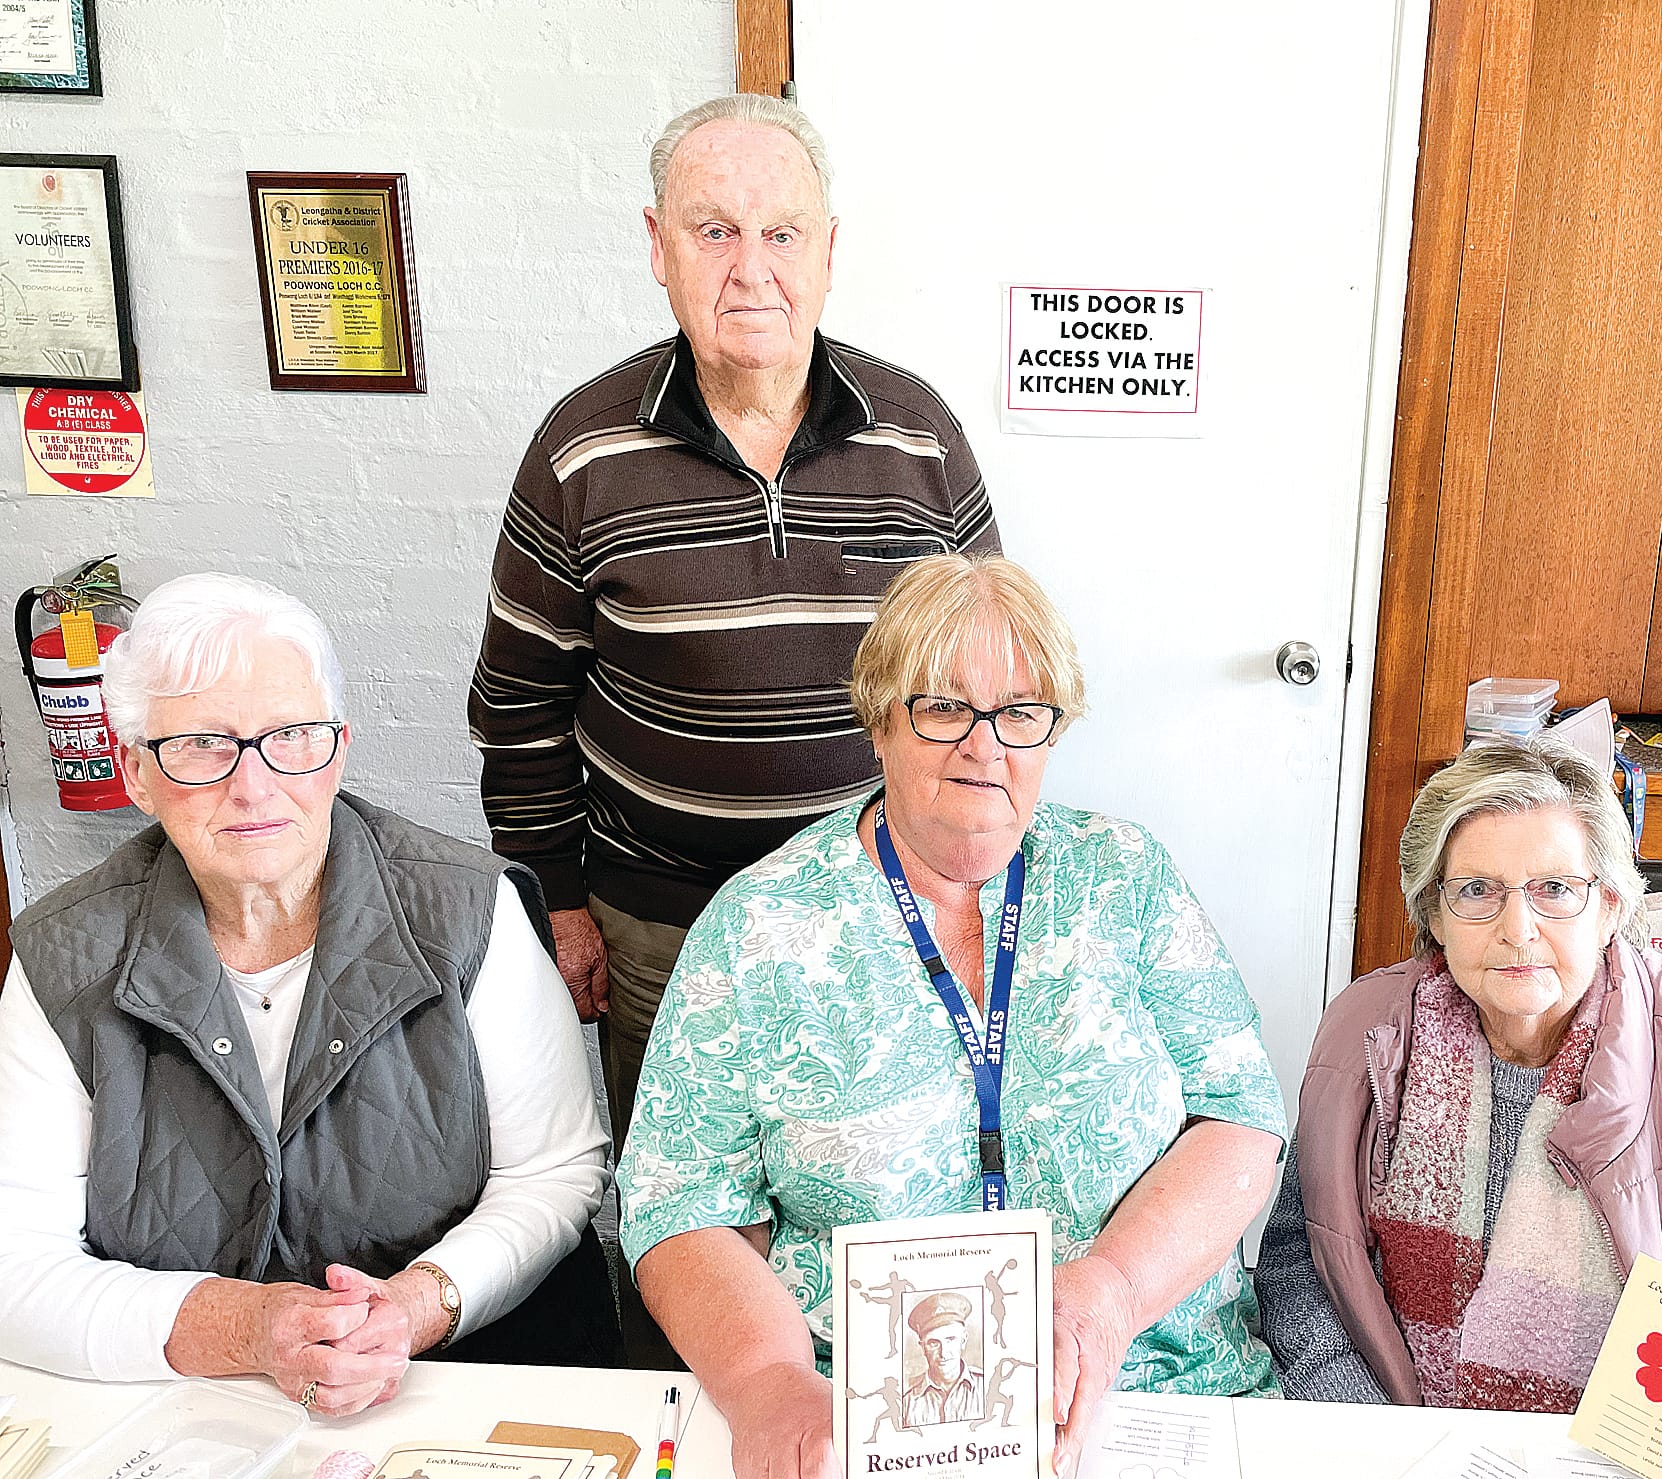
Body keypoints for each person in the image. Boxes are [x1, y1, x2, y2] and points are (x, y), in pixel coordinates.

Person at [619, 554, 1288, 1479]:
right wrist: (767, 1380)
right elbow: (679, 1198)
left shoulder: (1124, 876)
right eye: (944, 707)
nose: (986, 745)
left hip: (1152, 1384)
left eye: (1020, 712)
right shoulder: (759, 923)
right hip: (860, 1419)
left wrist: (1109, 1293)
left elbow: (1240, 1112)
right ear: (879, 720)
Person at [468, 91, 1000, 1152]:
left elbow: (990, 681)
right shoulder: (581, 450)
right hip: (661, 924)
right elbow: (518, 704)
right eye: (714, 231)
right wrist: (557, 904)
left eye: (781, 233)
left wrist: (969, 877)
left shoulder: (920, 439)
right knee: (685, 1196)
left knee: (871, 1179)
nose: (750, 268)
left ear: (828, 251)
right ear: (658, 247)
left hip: (879, 917)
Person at [0, 574, 615, 1414]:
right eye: (201, 744)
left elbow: (553, 1172)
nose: (253, 784)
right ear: (135, 770)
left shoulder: (469, 911)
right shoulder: (62, 953)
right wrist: (244, 1328)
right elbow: (16, 1260)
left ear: (340, 748)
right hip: (183, 1405)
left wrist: (412, 1306)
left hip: (462, 1382)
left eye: (290, 735)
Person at [1256, 735, 1662, 1479]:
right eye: (1476, 890)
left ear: (1608, 907)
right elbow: (1302, 1259)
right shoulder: (1366, 1030)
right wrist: (1367, 1434)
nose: (1516, 928)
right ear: (1434, 914)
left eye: (1555, 888)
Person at [902, 1293, 985, 1427]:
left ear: (963, 1341)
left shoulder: (987, 1387)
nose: (943, 1353)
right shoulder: (906, 1401)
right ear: (923, 1347)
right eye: (934, 1343)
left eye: (950, 1340)